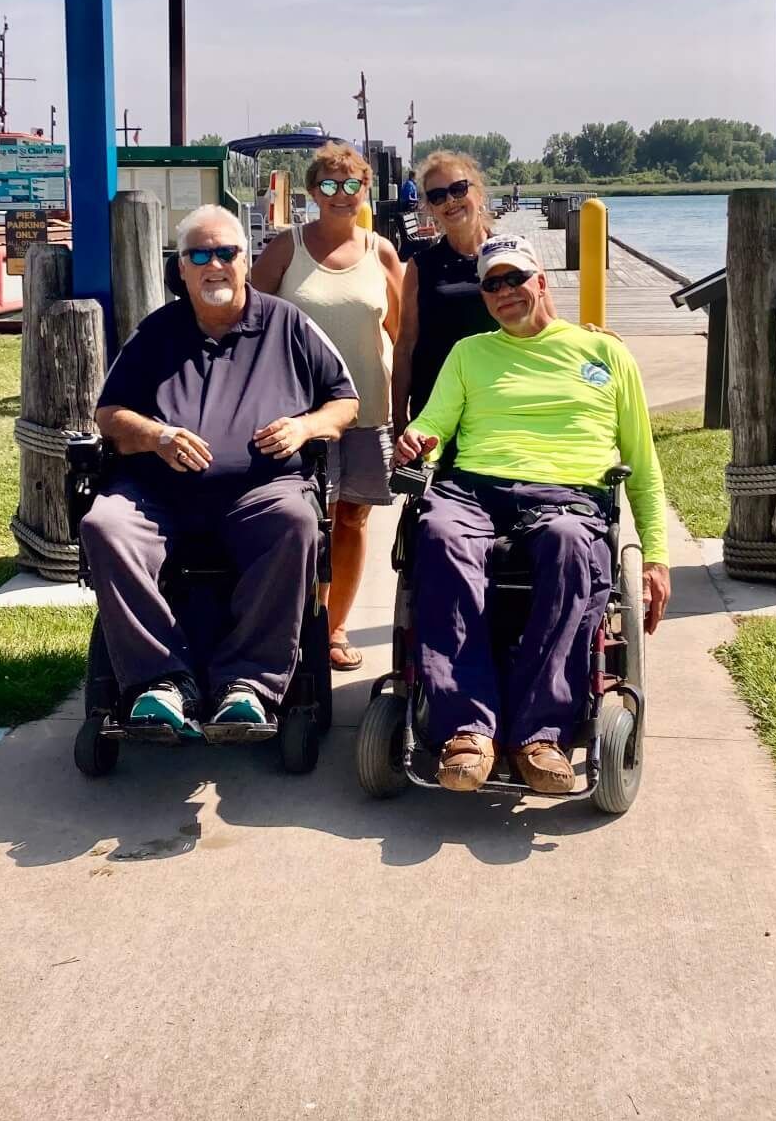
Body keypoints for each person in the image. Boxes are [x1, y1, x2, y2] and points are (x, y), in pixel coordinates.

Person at [394, 233, 671, 796]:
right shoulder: (470, 353)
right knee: (439, 532)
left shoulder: (605, 354)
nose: (504, 292)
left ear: (541, 281)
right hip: (474, 489)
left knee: (571, 543)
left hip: (569, 495)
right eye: (491, 284)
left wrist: (657, 557)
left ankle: (540, 735)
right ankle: (468, 731)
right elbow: (436, 421)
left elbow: (642, 464)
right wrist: (418, 436)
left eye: (514, 278)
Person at [80, 205, 358, 733]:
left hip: (261, 491)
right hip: (157, 493)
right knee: (103, 526)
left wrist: (304, 428)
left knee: (296, 524)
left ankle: (248, 684)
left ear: (245, 261)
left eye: (226, 253)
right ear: (181, 268)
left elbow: (345, 401)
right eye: (199, 255)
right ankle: (159, 680)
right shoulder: (155, 332)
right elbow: (109, 414)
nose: (215, 266)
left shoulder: (288, 323)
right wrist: (157, 436)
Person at [251, 142, 403, 671]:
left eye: (352, 185)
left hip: (366, 413)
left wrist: (406, 414)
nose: (341, 195)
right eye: (330, 186)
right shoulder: (284, 249)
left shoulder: (382, 253)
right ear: (313, 191)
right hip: (297, 417)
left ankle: (334, 627)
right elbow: (249, 325)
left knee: (351, 519)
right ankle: (295, 625)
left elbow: (400, 337)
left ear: (365, 190)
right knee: (298, 520)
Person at [391, 150, 495, 435]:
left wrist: (587, 336)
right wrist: (399, 417)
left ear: (479, 193)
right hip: (435, 407)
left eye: (458, 189)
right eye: (437, 196)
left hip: (495, 404)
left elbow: (544, 325)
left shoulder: (511, 254)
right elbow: (405, 347)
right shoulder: (420, 266)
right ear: (431, 208)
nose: (450, 200)